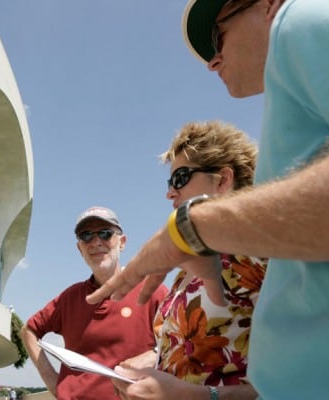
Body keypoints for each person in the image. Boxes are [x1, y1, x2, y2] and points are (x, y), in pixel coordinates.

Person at [87, 0, 329, 399]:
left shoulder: (301, 20)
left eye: (216, 35)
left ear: (268, 5)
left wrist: (189, 228)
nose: (212, 61)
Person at [112, 121, 265, 400]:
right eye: (169, 182)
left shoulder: (262, 257)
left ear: (223, 180)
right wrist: (154, 360)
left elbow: (301, 383)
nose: (170, 192)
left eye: (180, 178)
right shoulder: (186, 271)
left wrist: (195, 396)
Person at [21, 206, 168, 400]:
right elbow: (28, 331)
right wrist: (54, 383)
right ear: (79, 248)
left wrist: (154, 355)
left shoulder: (151, 290)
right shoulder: (69, 298)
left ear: (122, 242)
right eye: (86, 235)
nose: (96, 241)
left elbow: (186, 341)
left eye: (105, 233)